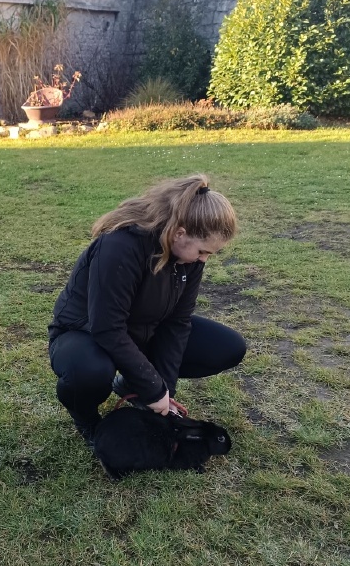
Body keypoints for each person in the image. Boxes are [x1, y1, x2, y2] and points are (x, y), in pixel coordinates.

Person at [48, 174, 246, 441]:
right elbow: (107, 328)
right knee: (90, 371)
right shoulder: (120, 246)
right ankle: (86, 417)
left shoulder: (188, 259)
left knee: (227, 347)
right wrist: (153, 388)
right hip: (86, 332)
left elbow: (177, 323)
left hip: (143, 330)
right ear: (179, 233)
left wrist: (164, 390)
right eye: (202, 252)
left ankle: (130, 386)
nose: (204, 260)